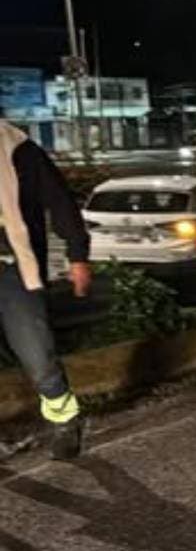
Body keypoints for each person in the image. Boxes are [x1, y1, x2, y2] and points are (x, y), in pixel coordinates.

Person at [0, 119, 92, 459]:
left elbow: (59, 200)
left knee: (36, 352)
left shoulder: (17, 147)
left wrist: (77, 255)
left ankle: (64, 419)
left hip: (14, 269)